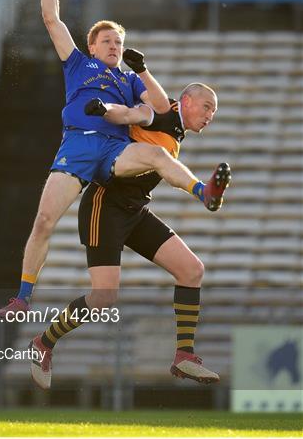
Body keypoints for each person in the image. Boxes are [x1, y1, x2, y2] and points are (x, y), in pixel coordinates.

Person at [0, 0, 231, 317]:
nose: (114, 47)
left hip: (113, 151)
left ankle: (204, 192)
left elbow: (155, 106)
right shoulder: (77, 64)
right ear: (92, 47)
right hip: (77, 146)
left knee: (158, 155)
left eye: (118, 43)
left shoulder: (127, 78)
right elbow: (50, 18)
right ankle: (22, 297)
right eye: (107, 41)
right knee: (43, 221)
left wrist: (141, 72)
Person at [28, 83, 230, 389]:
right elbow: (131, 114)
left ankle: (184, 355)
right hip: (104, 205)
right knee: (104, 297)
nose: (210, 116)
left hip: (135, 210)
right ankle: (44, 342)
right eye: (206, 107)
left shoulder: (175, 127)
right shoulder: (163, 112)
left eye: (213, 111)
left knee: (192, 270)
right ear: (186, 101)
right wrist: (105, 108)